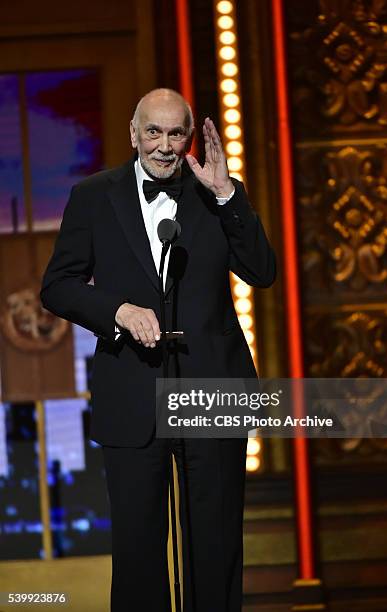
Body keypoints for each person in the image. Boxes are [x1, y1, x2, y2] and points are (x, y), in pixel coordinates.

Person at [41, 88, 276, 611]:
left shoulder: (214, 194)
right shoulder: (94, 196)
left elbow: (263, 272)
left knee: (214, 549)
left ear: (188, 138)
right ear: (133, 133)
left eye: (176, 134)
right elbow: (57, 286)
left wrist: (227, 197)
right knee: (138, 553)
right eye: (154, 132)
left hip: (211, 391)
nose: (165, 146)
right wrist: (117, 312)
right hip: (131, 390)